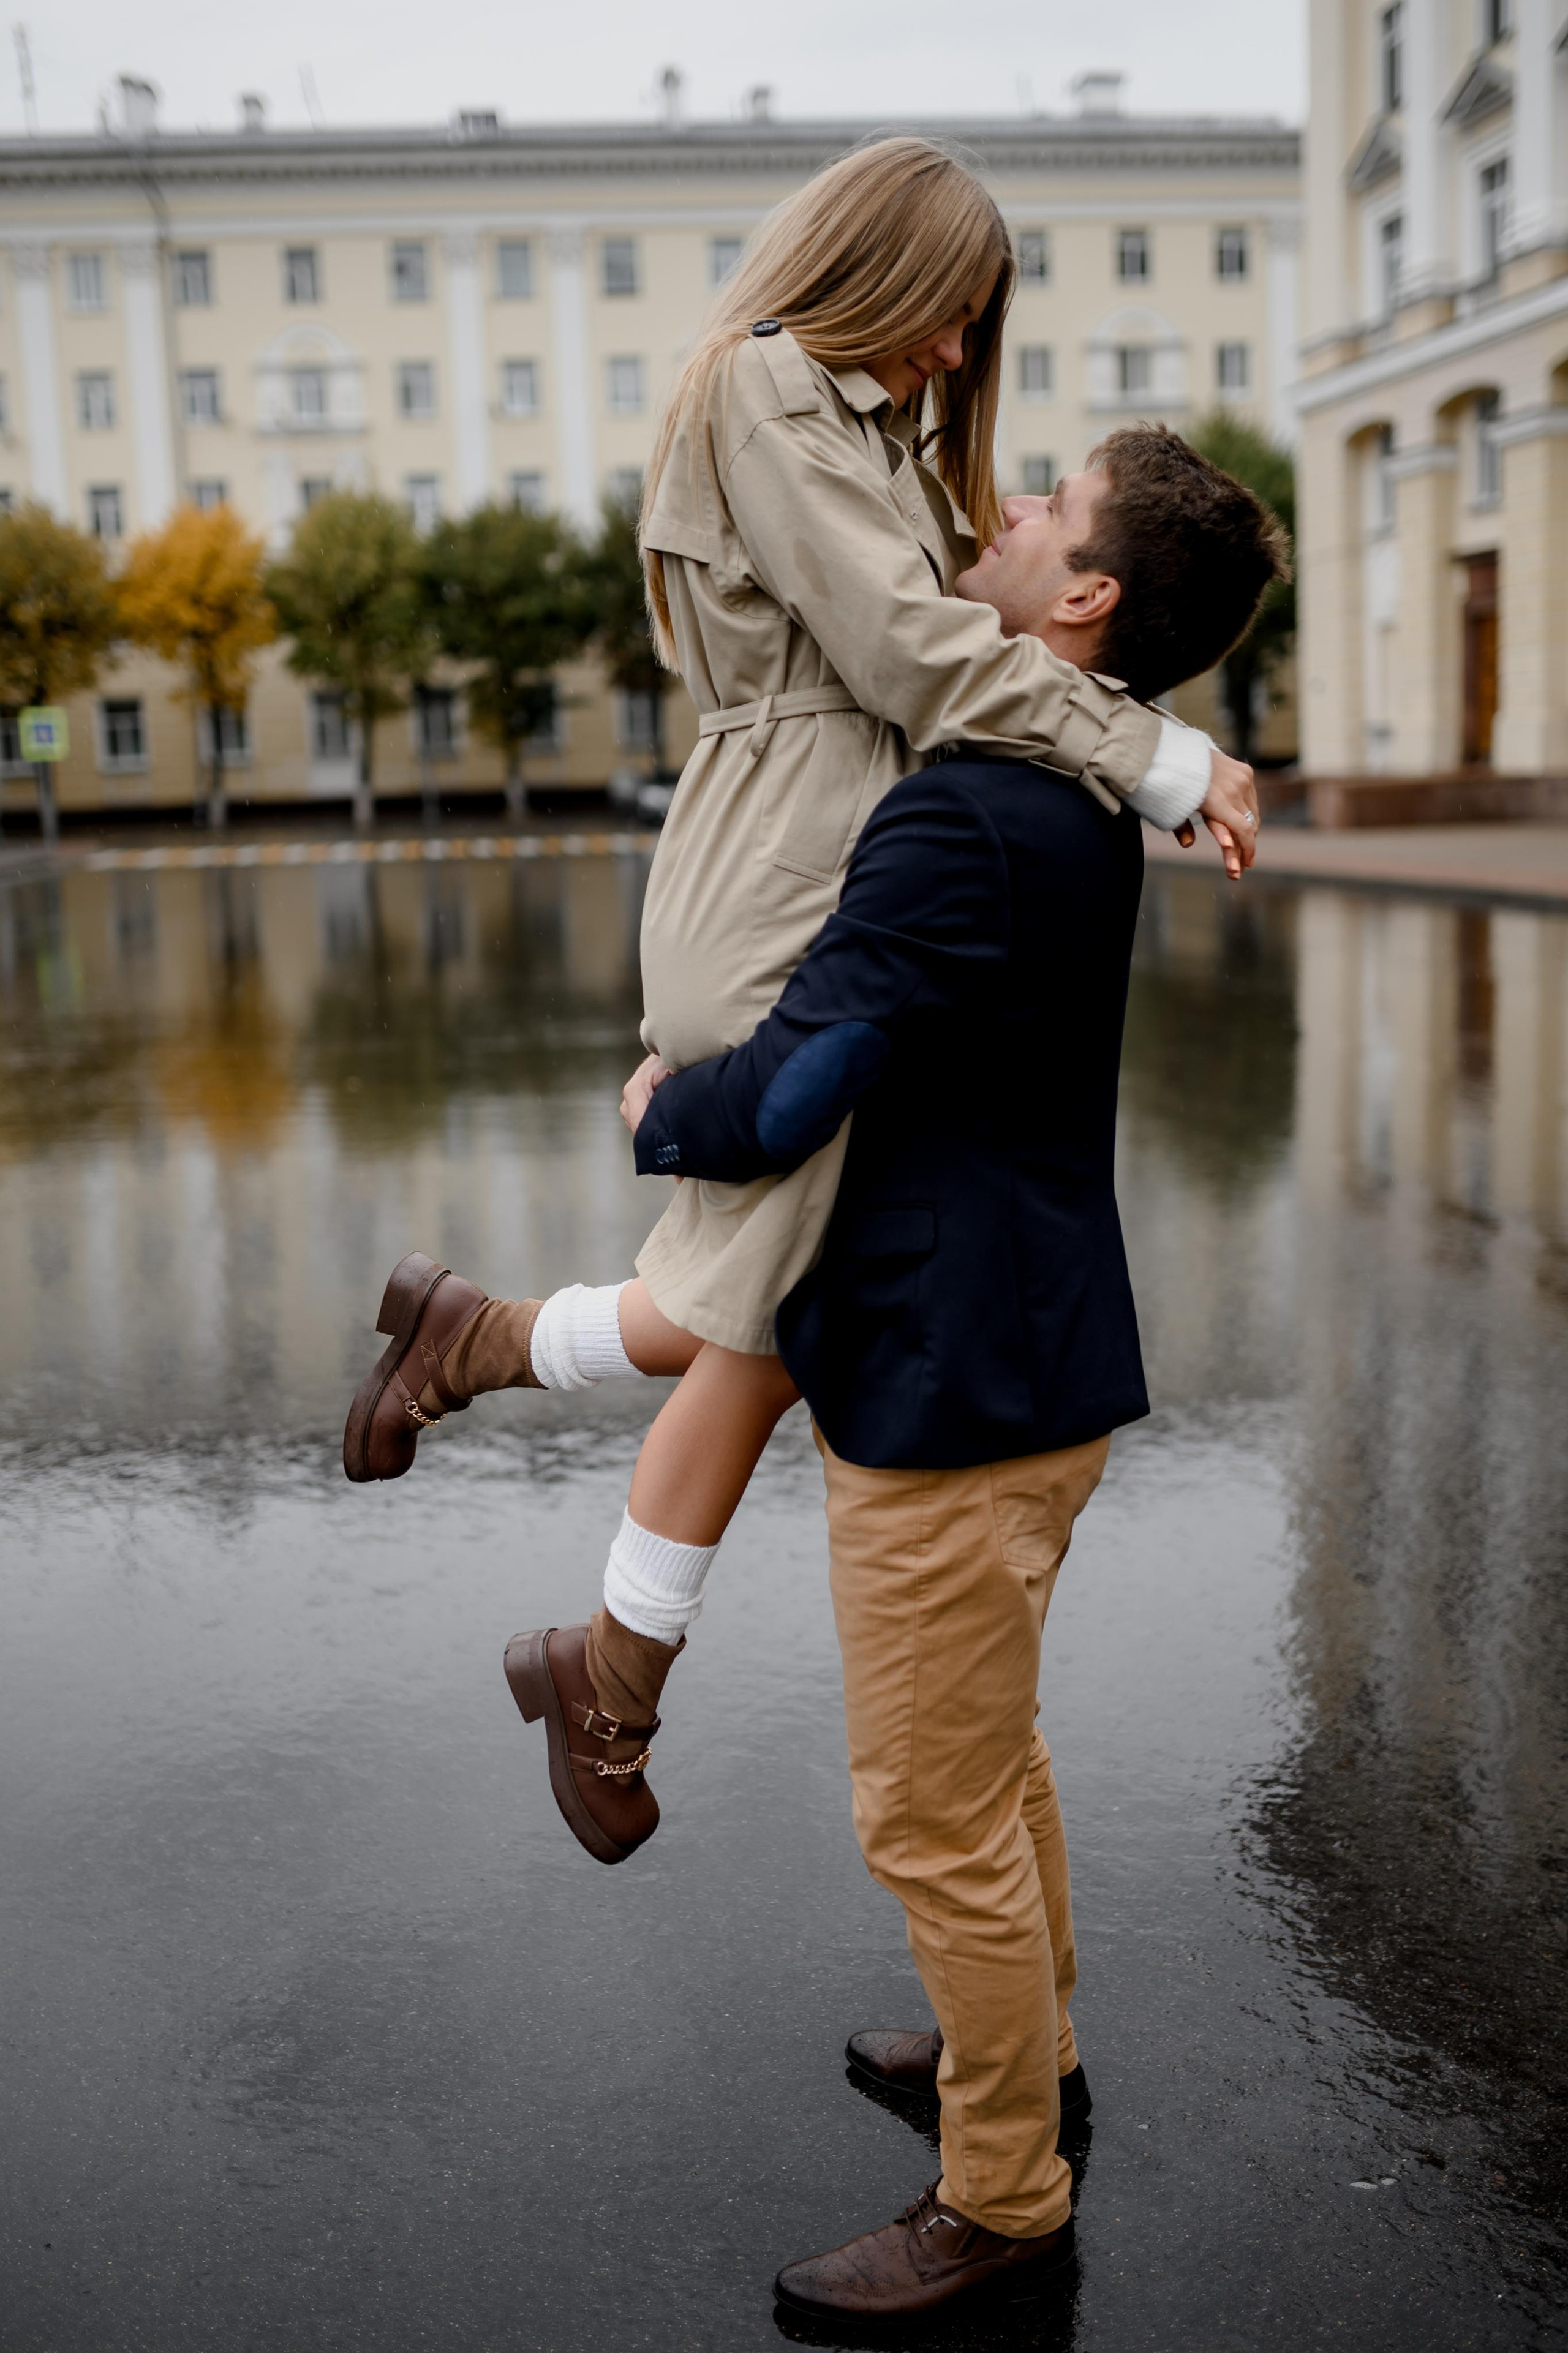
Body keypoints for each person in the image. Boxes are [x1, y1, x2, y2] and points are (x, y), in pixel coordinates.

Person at [343, 138, 1259, 1865]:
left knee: (774, 1306)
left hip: (811, 859)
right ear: (879, 270)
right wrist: (1155, 752)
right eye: (946, 324)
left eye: (968, 343)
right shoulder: (771, 389)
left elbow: (939, 643)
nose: (948, 365)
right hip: (785, 865)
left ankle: (513, 1432)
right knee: (764, 1320)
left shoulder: (858, 424)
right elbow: (918, 661)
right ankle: (594, 1652)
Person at [608, 429, 1289, 2320]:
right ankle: (1032, 2059)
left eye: (1046, 509)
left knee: (925, 1809)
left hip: (948, 1381)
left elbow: (808, 1076)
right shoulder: (1060, 798)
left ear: (1083, 599)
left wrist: (668, 1108)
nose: (1002, 513)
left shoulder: (966, 807)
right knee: (997, 1770)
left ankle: (1003, 2195)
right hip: (1031, 1359)